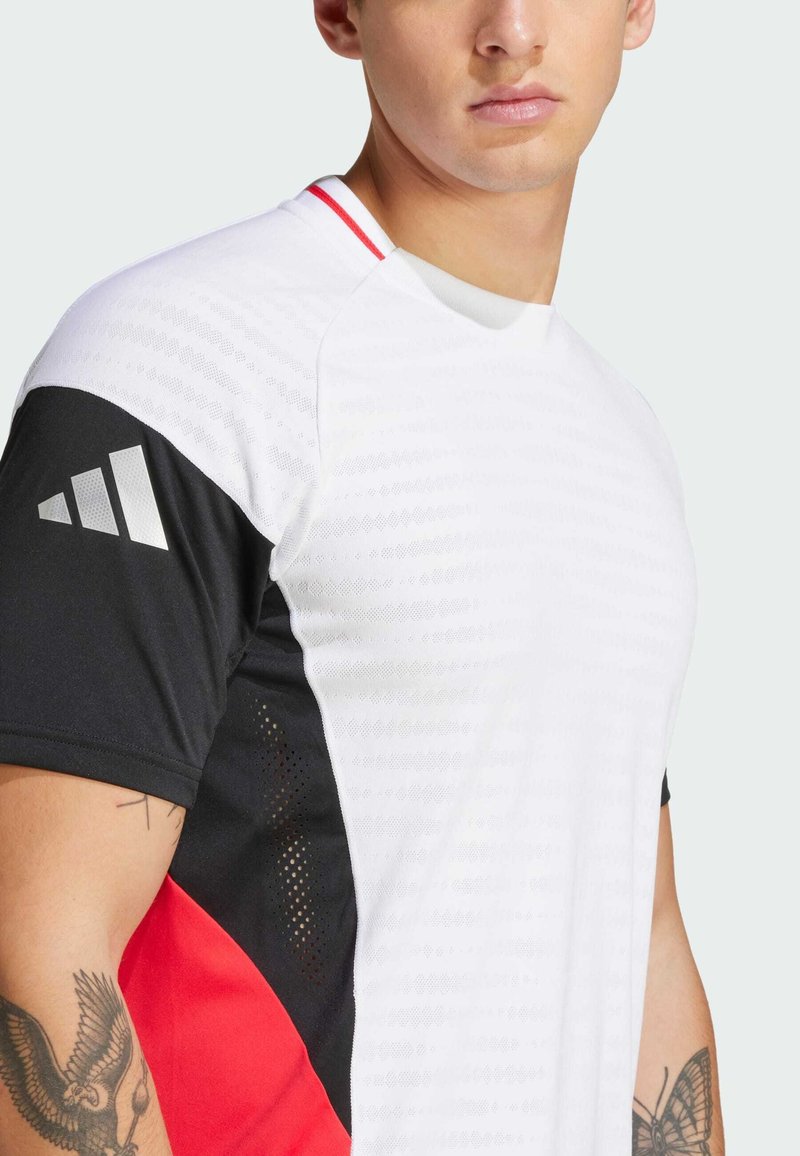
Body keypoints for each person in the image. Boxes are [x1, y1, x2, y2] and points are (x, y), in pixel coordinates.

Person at [0, 0, 725, 1152]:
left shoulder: (620, 436)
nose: (510, 27)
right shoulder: (171, 363)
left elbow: (639, 935)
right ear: (340, 11)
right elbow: (34, 941)